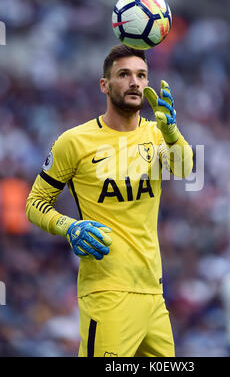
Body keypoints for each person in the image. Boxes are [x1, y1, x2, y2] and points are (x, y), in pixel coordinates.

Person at [26, 44, 193, 357]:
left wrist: (171, 132)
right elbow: (35, 203)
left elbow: (185, 169)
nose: (134, 82)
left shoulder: (157, 135)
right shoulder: (74, 141)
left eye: (142, 75)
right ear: (105, 85)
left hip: (153, 294)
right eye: (124, 74)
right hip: (107, 292)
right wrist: (68, 227)